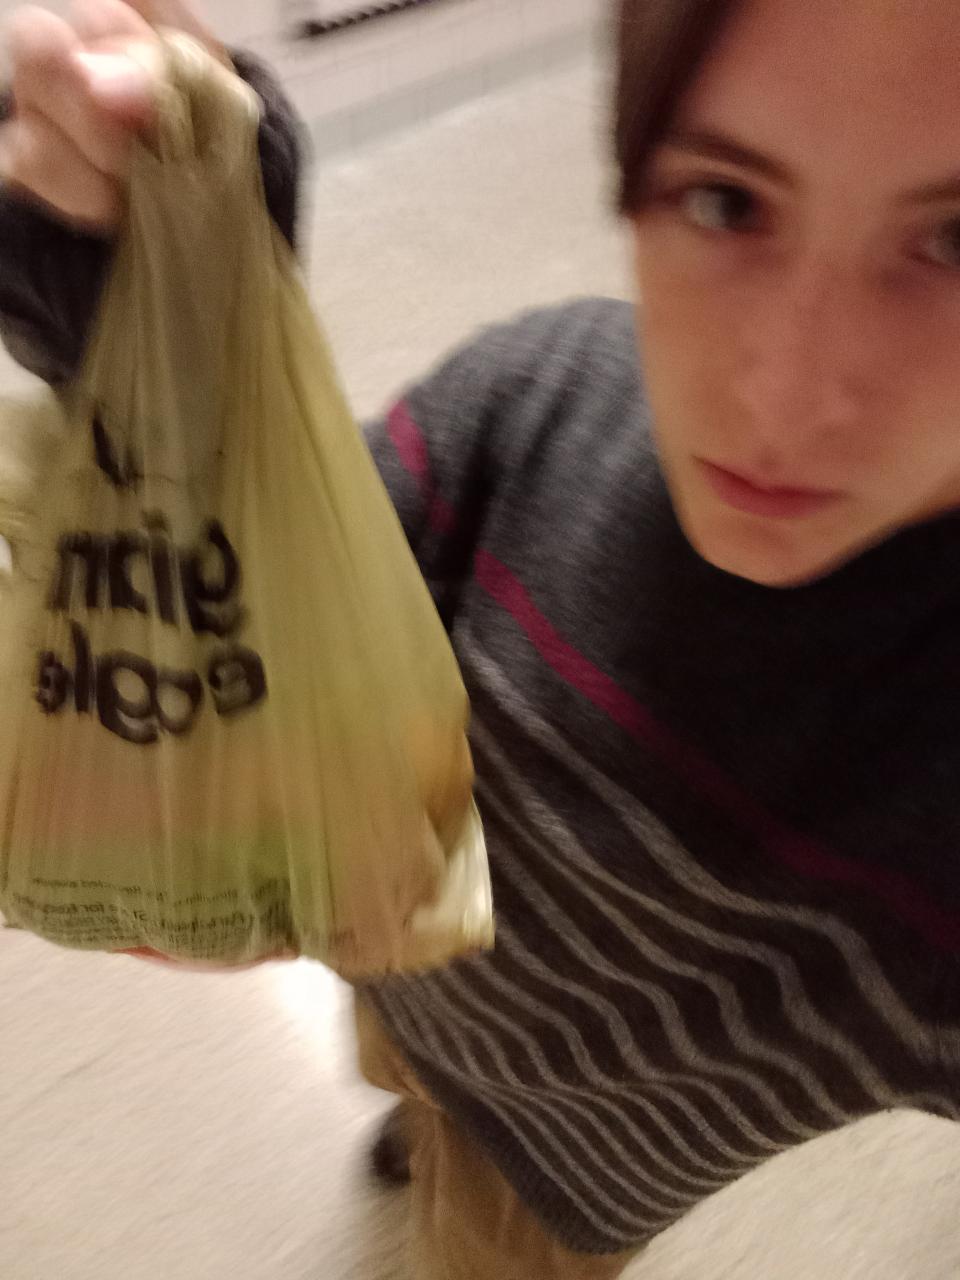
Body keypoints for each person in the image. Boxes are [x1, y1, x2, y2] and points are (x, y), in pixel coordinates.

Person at [2, 0, 960, 1275]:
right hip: (402, 963)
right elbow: (287, 622)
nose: (785, 390)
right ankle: (416, 1104)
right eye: (726, 201)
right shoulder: (535, 400)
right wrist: (174, 324)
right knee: (399, 1061)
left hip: (561, 1171)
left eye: (953, 239)